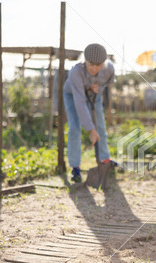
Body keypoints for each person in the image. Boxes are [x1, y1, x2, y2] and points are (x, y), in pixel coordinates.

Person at [63, 43, 116, 182]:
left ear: (103, 63)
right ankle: (75, 167)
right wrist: (91, 130)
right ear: (84, 60)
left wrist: (97, 87)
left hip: (94, 96)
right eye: (91, 64)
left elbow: (109, 83)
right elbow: (80, 102)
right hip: (74, 95)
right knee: (74, 128)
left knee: (101, 127)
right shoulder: (75, 72)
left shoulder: (109, 69)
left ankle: (105, 160)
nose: (94, 68)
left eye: (98, 65)